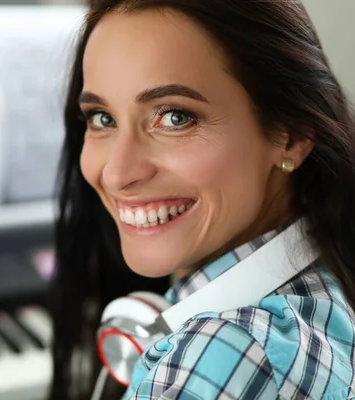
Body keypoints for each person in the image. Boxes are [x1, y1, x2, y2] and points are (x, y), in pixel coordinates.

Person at [48, 0, 355, 399]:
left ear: (291, 136)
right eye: (102, 118)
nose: (117, 174)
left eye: (175, 117)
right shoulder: (325, 287)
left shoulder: (225, 350)